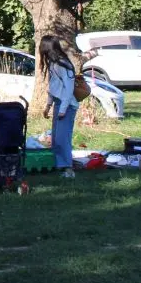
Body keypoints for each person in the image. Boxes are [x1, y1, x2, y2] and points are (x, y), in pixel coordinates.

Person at [41, 34, 80, 177]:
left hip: (67, 106)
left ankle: (68, 168)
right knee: (57, 137)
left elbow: (69, 89)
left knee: (63, 137)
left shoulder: (64, 64)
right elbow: (53, 87)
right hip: (59, 103)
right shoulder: (53, 63)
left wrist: (63, 109)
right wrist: (48, 105)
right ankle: (60, 165)